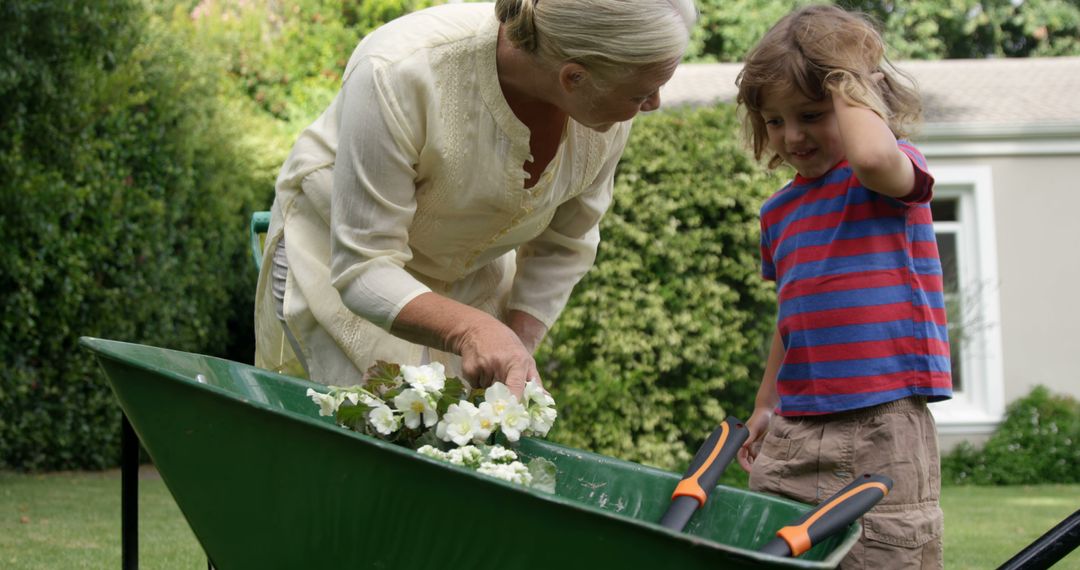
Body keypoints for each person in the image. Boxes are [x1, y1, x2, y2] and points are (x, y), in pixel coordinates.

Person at [253, 0, 697, 398]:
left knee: (472, 434)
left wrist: (516, 343)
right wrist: (472, 328)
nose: (653, 104)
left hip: (467, 273)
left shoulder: (605, 99)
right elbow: (364, 267)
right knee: (381, 433)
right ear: (574, 76)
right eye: (641, 94)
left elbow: (566, 242)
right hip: (340, 264)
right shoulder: (398, 69)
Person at [732, 5, 953, 568]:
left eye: (812, 113)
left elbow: (873, 152)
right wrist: (764, 405)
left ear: (861, 98)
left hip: (881, 425)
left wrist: (849, 77)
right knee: (771, 554)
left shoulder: (886, 176)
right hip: (795, 428)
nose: (792, 135)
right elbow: (794, 318)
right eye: (775, 121)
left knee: (878, 557)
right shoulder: (779, 212)